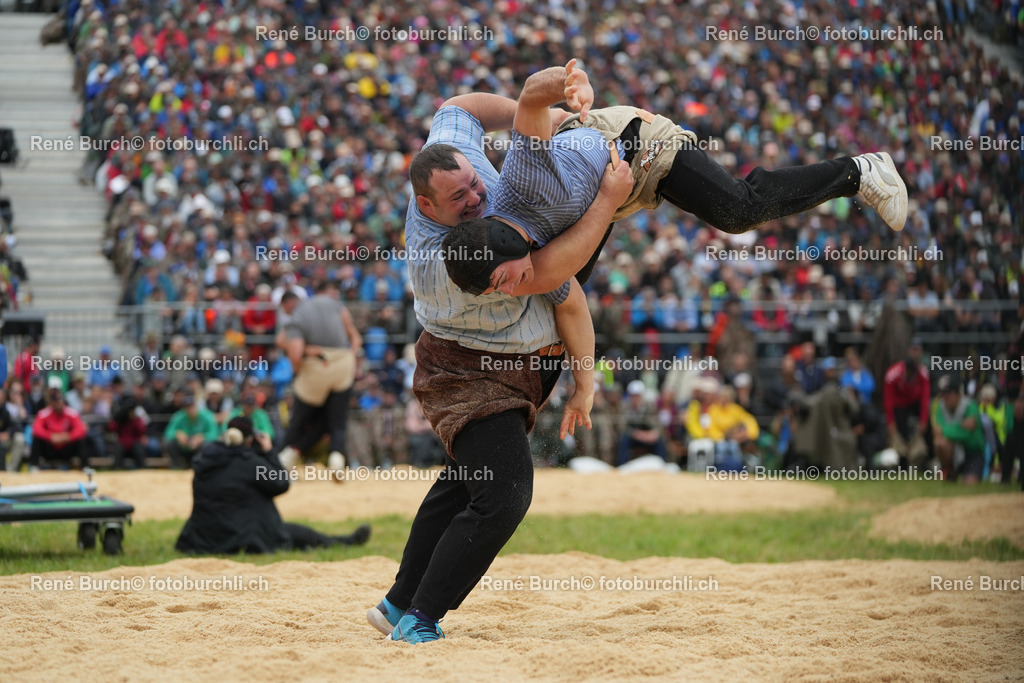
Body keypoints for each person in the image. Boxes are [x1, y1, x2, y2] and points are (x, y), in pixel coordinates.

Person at [366, 76, 631, 644]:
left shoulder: (458, 168)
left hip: (508, 368)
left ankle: (398, 604)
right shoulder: (452, 261)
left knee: (467, 483)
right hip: (467, 375)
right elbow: (561, 280)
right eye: (459, 199)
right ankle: (420, 618)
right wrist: (608, 201)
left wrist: (537, 119)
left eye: (473, 182)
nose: (476, 197)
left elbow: (458, 105)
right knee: (504, 495)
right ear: (426, 206)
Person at [442, 60, 908, 301]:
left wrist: (567, 84)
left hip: (635, 145)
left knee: (738, 210)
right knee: (567, 292)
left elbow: (529, 97)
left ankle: (861, 171)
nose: (509, 288)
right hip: (605, 190)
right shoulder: (498, 249)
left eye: (502, 281)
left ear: (509, 242)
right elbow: (534, 277)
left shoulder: (522, 181)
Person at [175, 416, 370, 554]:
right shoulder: (249, 463)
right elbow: (281, 484)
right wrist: (269, 452)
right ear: (250, 439)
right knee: (297, 534)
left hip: (204, 537)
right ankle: (344, 541)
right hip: (243, 536)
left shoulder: (205, 460)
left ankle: (342, 541)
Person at [276, 280, 362, 480]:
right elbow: (355, 337)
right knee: (335, 420)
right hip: (342, 365)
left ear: (289, 304)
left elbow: (294, 353)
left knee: (299, 420)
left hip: (316, 369)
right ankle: (337, 460)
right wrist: (350, 357)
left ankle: (282, 463)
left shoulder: (297, 316)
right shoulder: (333, 303)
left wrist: (299, 369)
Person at [882, 339, 930, 468]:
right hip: (899, 404)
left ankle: (927, 459)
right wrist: (890, 422)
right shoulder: (892, 375)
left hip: (914, 402)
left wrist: (923, 420)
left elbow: (925, 399)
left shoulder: (922, 374)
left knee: (928, 422)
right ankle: (902, 463)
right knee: (900, 429)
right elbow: (888, 401)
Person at [931, 376, 986, 484]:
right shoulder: (941, 407)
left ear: (957, 394)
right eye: (943, 394)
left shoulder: (971, 406)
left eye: (948, 394)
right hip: (955, 450)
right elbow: (938, 432)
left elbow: (967, 434)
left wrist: (945, 430)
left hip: (972, 452)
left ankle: (967, 472)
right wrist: (960, 425)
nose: (944, 398)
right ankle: (950, 472)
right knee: (940, 443)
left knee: (970, 483)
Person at [29, 378, 88, 471]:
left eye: (60, 400)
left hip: (66, 447)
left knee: (81, 440)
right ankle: (34, 466)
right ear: (52, 402)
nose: (58, 403)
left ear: (63, 401)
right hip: (50, 448)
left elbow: (80, 429)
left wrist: (68, 437)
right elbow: (36, 429)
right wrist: (51, 436)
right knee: (37, 439)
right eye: (56, 401)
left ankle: (85, 467)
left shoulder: (71, 413)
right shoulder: (44, 413)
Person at [162, 392, 220, 469]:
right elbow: (167, 433)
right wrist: (177, 434)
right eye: (188, 407)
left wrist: (202, 437)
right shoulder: (178, 416)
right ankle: (178, 465)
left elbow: (215, 434)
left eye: (192, 406)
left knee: (209, 445)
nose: (190, 410)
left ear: (196, 406)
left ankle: (202, 466)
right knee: (169, 443)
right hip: (184, 447)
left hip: (199, 448)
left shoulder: (207, 416)